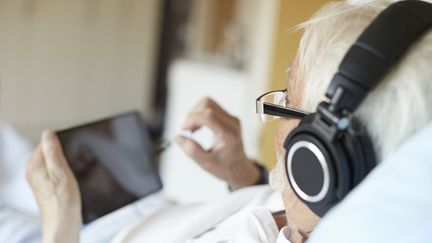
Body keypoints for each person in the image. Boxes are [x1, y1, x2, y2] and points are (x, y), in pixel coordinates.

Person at [8, 0, 432, 242]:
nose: (272, 118)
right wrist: (243, 175)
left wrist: (59, 223)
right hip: (133, 220)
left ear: (318, 158)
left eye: (286, 101)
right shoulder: (315, 204)